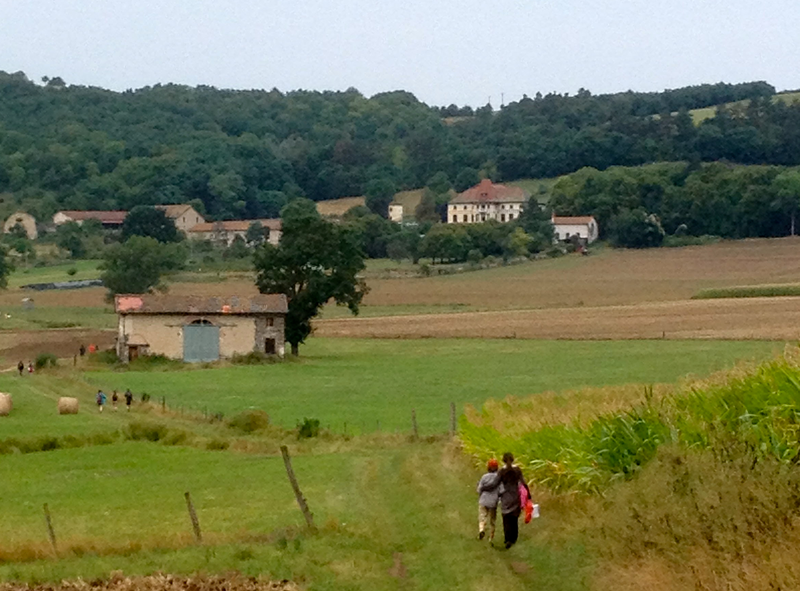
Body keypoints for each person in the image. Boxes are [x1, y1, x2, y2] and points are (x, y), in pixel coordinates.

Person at [497, 452, 530, 549]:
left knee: (506, 518)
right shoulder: (517, 470)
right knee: (514, 518)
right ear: (513, 459)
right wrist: (528, 495)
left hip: (506, 496)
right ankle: (513, 538)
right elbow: (523, 482)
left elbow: (496, 482)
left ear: (503, 460)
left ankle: (507, 539)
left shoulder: (501, 471)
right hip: (516, 495)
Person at [476, 458, 500, 542]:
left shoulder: (484, 477)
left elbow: (479, 489)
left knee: (482, 516)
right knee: (492, 520)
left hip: (483, 500)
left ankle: (481, 529)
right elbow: (501, 490)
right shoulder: (499, 478)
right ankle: (491, 538)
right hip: (493, 501)